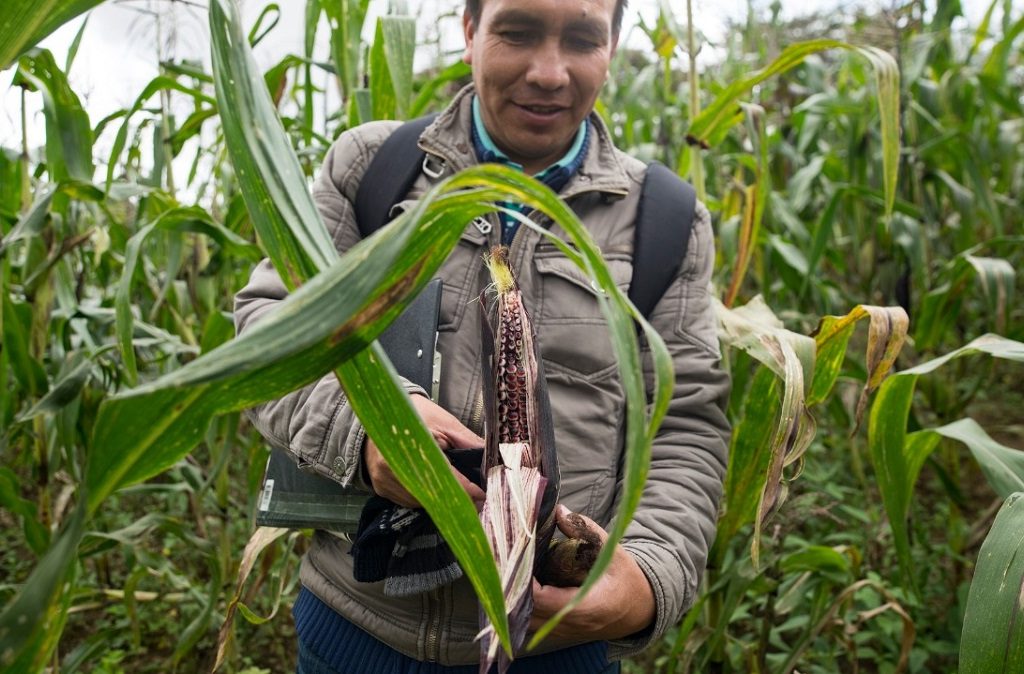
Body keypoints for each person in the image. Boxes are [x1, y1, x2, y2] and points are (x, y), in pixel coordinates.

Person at [234, 0, 731, 671]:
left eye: (581, 39)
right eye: (518, 32)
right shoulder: (372, 168)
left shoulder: (665, 220)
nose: (549, 72)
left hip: (556, 649)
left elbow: (686, 423)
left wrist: (647, 579)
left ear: (612, 46)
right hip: (358, 630)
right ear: (470, 32)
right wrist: (372, 430)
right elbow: (272, 334)